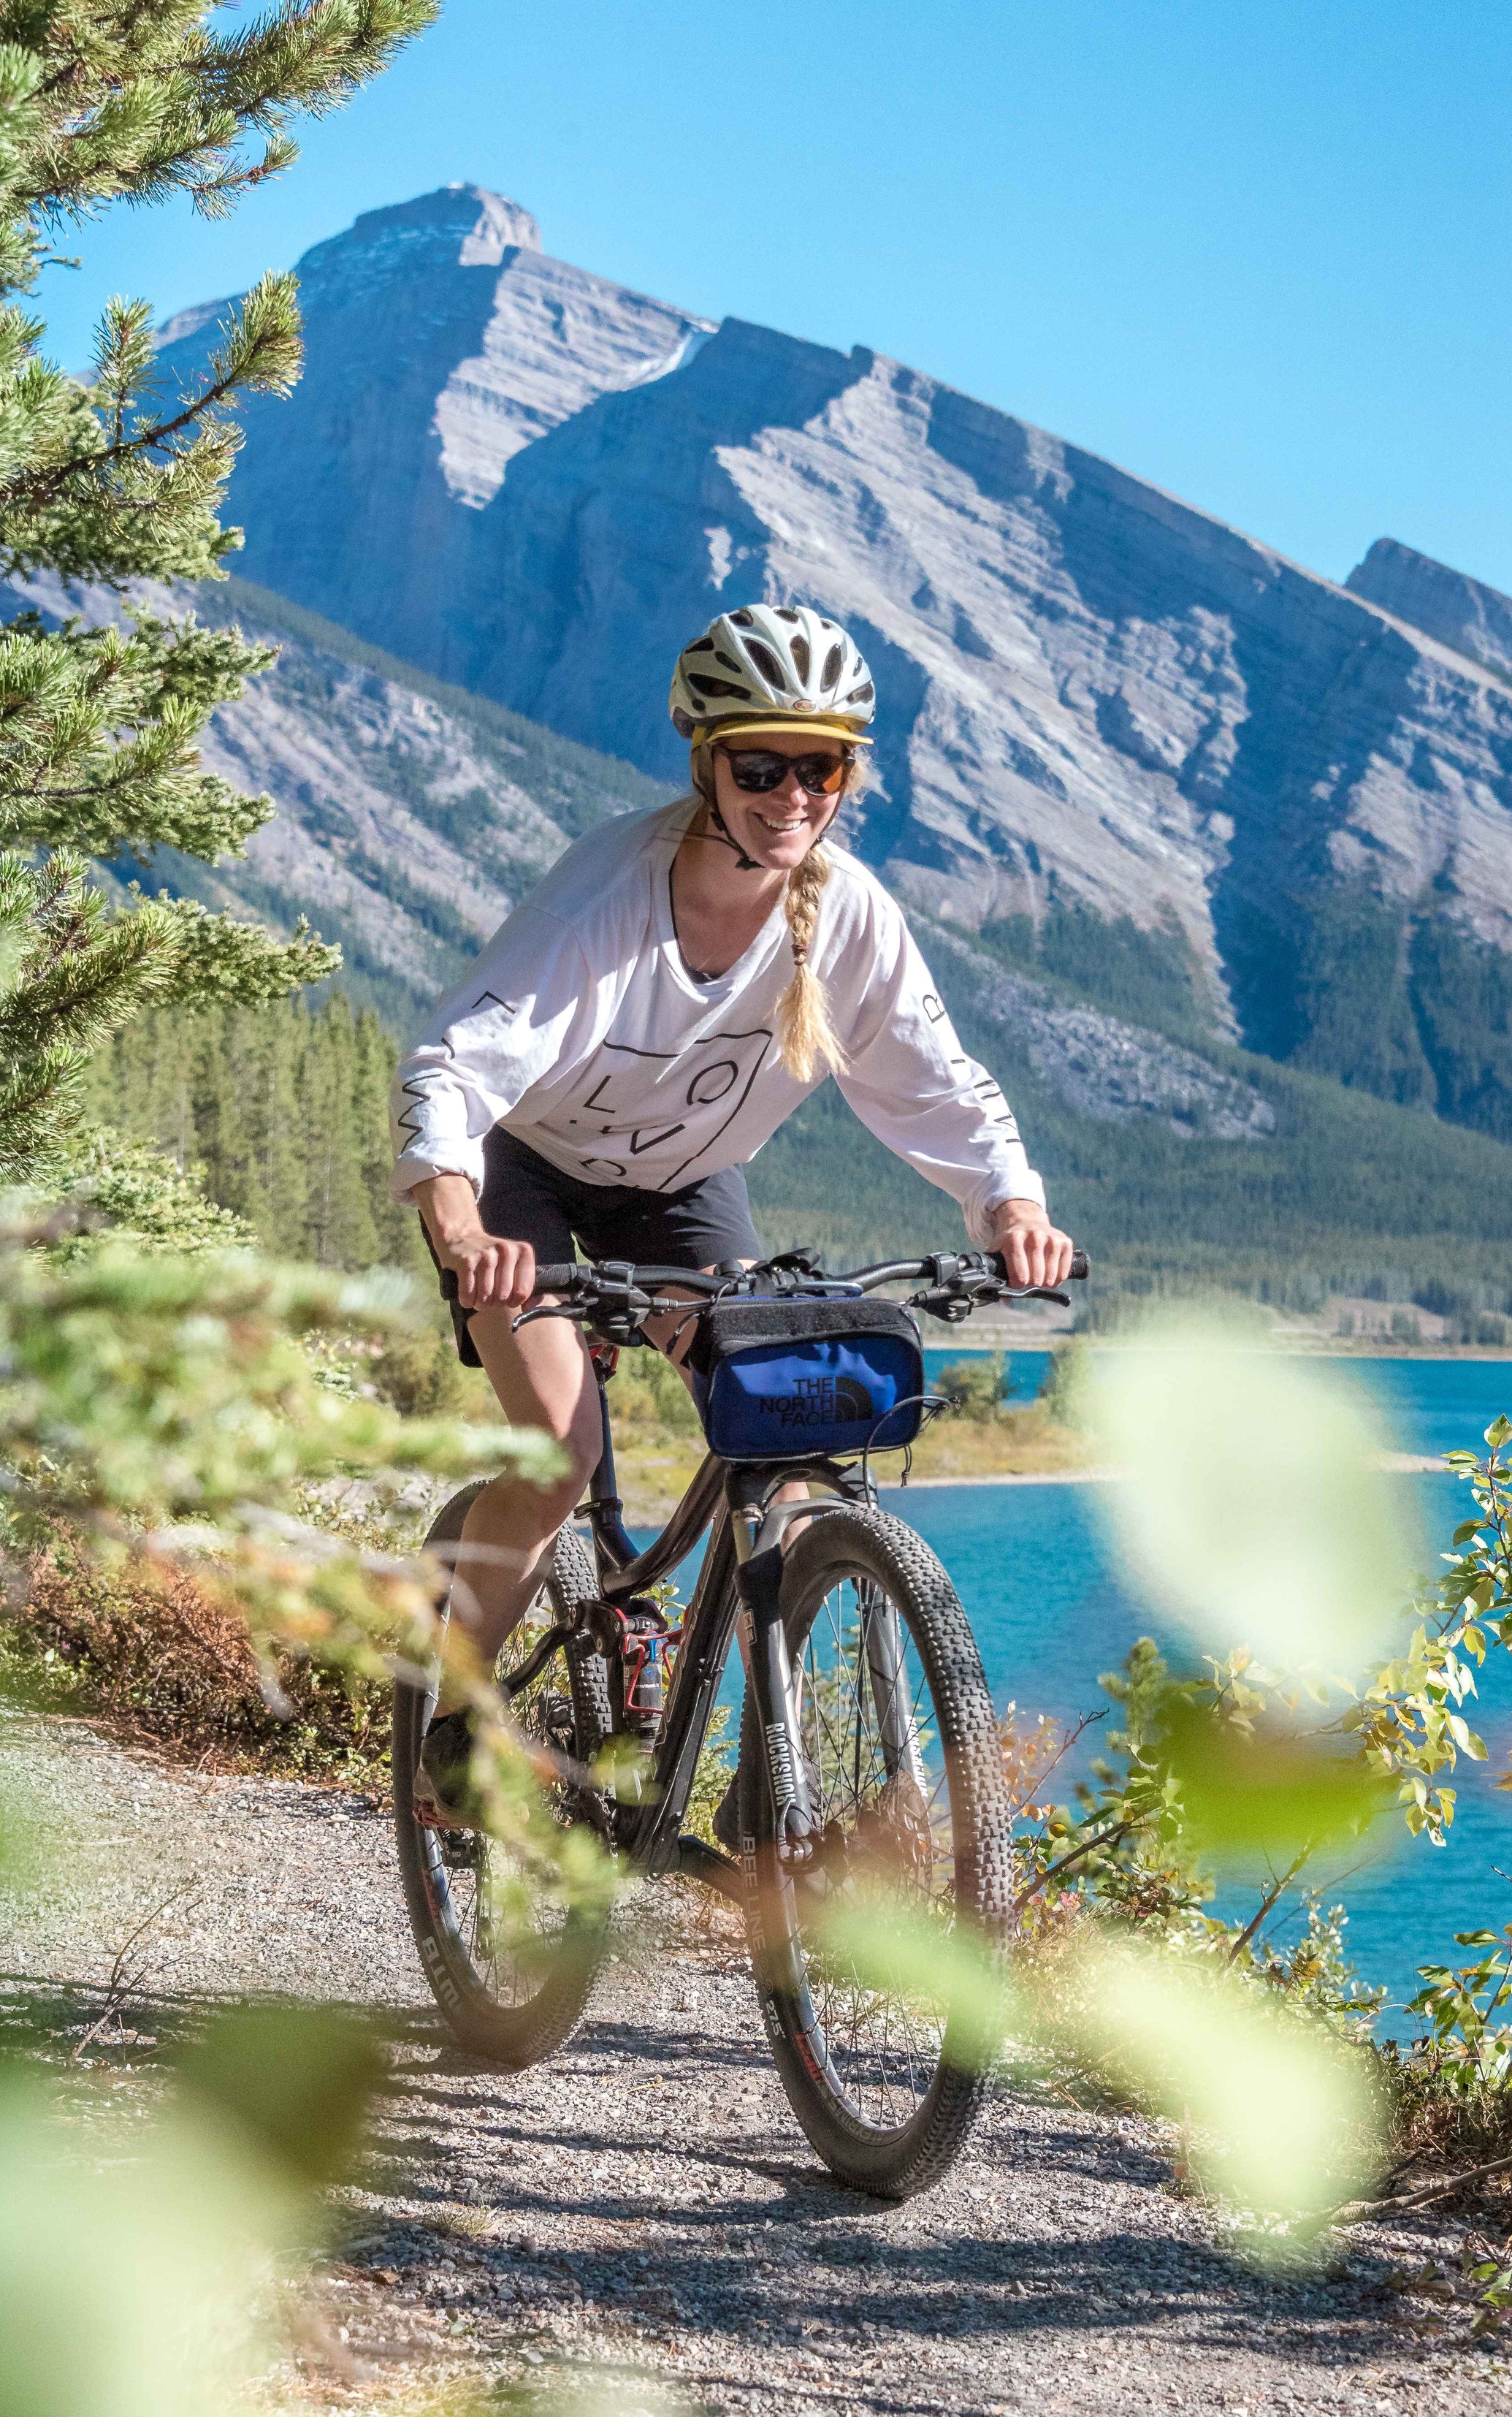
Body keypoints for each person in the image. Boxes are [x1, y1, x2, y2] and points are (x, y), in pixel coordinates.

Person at [390, 602, 1072, 1813]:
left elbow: (932, 1074)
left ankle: (775, 1781)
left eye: (821, 767)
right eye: (762, 766)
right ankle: (453, 1722)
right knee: (558, 1453)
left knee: (791, 1434)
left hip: (685, 1183)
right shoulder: (611, 892)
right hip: (521, 1171)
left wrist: (1009, 1204)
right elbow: (453, 1062)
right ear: (706, 761)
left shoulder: (848, 913)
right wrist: (461, 1230)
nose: (792, 794)